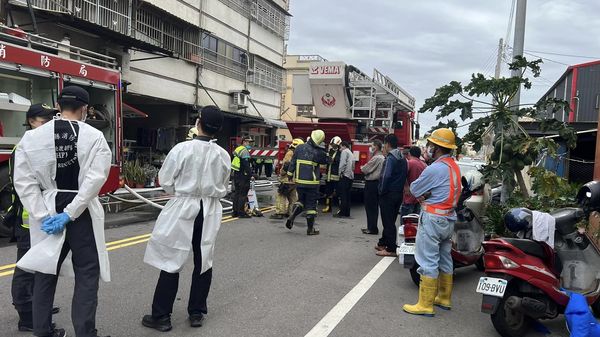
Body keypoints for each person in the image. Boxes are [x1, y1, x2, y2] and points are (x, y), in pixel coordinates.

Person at [14, 86, 112, 337]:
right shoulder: (94, 137)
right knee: (87, 273)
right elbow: (95, 179)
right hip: (82, 212)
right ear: (85, 109)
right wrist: (70, 213)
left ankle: (42, 331)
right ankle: (85, 332)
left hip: (47, 207)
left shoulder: (32, 138)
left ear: (58, 106)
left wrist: (42, 215)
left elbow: (23, 182)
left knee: (45, 272)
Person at [142, 106, 230, 332]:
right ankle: (197, 312)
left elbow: (166, 181)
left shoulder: (182, 149)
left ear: (198, 122)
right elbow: (223, 186)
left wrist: (181, 190)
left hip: (183, 206)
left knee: (172, 258)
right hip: (209, 208)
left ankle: (161, 316)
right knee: (204, 259)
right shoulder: (223, 154)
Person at [6, 104, 59, 332]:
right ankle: (26, 316)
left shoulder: (40, 145)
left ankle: (37, 305)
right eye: (42, 120)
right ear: (31, 121)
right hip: (29, 220)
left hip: (41, 219)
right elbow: (23, 187)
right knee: (26, 268)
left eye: (50, 120)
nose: (47, 124)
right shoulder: (24, 147)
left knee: (40, 265)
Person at [403, 128, 461, 317]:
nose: (427, 148)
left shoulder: (435, 168)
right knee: (445, 258)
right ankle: (444, 298)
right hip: (448, 218)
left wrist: (425, 194)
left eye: (430, 145)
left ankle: (425, 305)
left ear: (436, 148)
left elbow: (415, 188)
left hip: (433, 219)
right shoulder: (454, 166)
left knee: (427, 259)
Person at [285, 130, 328, 235]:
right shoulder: (318, 152)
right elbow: (328, 160)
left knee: (301, 201)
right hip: (312, 183)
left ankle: (292, 216)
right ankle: (310, 229)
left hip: (299, 181)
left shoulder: (299, 148)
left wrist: (290, 175)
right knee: (311, 206)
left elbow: (293, 162)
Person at [375, 134, 408, 257]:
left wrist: (381, 190)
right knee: (391, 219)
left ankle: (391, 248)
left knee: (388, 222)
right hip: (398, 193)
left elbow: (385, 176)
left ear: (387, 144)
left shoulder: (390, 158)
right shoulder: (403, 158)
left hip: (388, 194)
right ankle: (383, 242)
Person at [270, 138, 303, 220]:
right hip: (295, 180)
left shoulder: (290, 153)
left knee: (281, 195)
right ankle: (291, 212)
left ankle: (280, 213)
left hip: (287, 179)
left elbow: (286, 165)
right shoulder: (300, 154)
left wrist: (281, 173)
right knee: (292, 197)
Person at [360, 140, 385, 235]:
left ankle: (372, 228)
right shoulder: (382, 157)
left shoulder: (377, 158)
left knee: (370, 206)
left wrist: (362, 167)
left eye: (373, 145)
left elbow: (365, 169)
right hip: (376, 184)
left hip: (372, 183)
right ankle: (371, 227)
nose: (371, 147)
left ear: (377, 147)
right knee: (373, 207)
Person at [231, 136, 254, 218]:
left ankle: (235, 212)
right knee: (243, 194)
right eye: (248, 142)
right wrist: (251, 175)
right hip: (243, 175)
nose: (249, 144)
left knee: (237, 193)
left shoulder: (238, 149)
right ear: (244, 142)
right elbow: (246, 164)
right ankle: (241, 212)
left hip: (236, 173)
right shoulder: (244, 151)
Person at [401, 146, 427, 217]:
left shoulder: (409, 163)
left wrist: (406, 187)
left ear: (409, 153)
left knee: (405, 223)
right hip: (419, 198)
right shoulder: (424, 165)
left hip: (409, 198)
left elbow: (403, 176)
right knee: (415, 222)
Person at [322, 136, 342, 213]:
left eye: (334, 144)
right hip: (329, 175)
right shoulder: (330, 151)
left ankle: (340, 208)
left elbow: (338, 161)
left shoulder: (340, 152)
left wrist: (332, 160)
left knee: (338, 193)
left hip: (336, 175)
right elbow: (326, 159)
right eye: (332, 144)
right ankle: (328, 207)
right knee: (328, 192)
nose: (333, 145)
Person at [334, 141, 354, 218]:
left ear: (344, 146)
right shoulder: (351, 153)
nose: (340, 149)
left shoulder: (344, 152)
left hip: (344, 176)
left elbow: (342, 164)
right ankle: (347, 213)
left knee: (343, 195)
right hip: (350, 176)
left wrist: (340, 173)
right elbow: (353, 165)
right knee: (348, 195)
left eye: (340, 147)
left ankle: (342, 213)